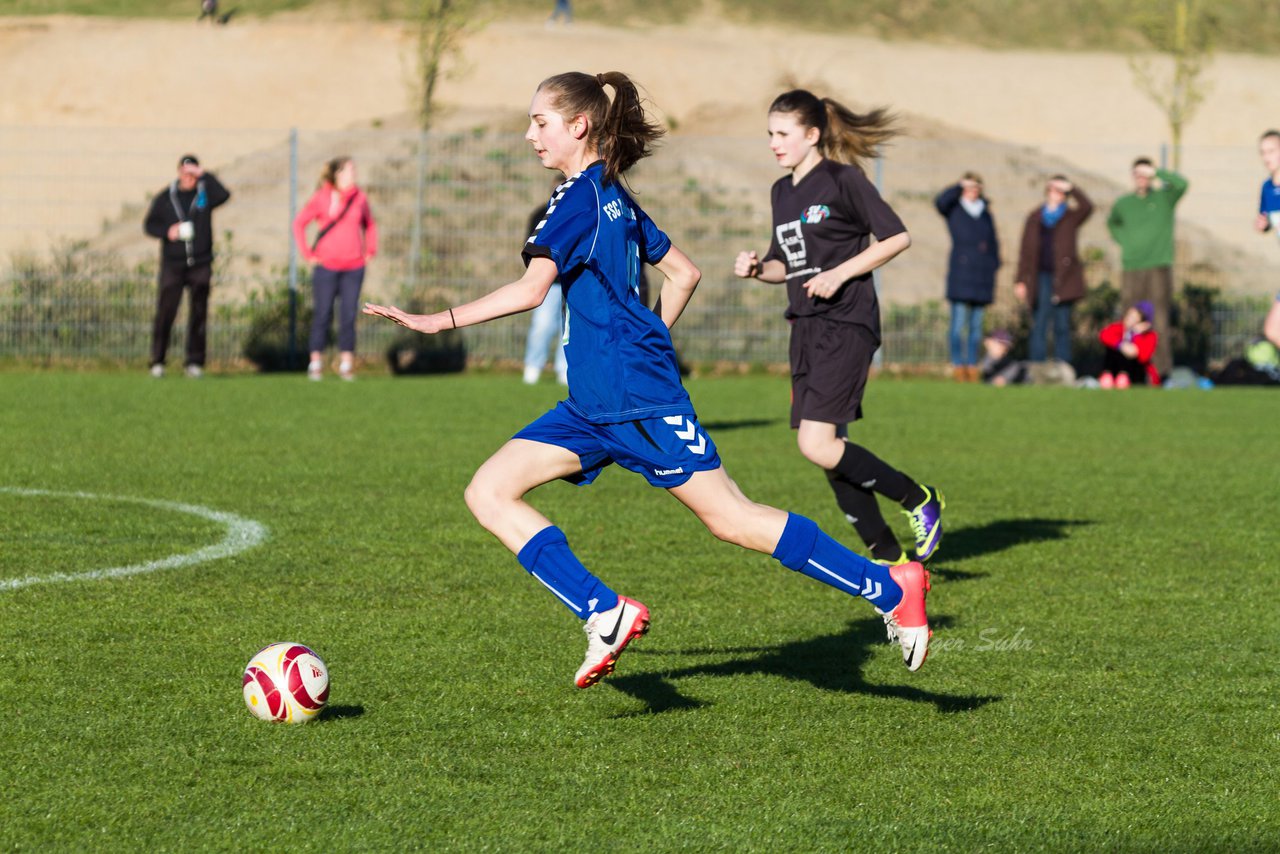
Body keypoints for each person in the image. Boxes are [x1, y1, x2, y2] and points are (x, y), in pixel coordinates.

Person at [363, 71, 934, 687]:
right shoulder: (613, 193)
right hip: (592, 404)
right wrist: (648, 338)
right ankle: (602, 611)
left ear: (578, 126)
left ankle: (890, 587)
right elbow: (684, 274)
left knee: (733, 520)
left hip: (637, 399)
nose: (531, 134)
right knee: (489, 492)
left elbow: (533, 292)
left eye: (540, 122)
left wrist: (436, 321)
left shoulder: (578, 198)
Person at [732, 89, 944, 568]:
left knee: (816, 442)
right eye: (770, 134)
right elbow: (785, 264)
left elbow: (897, 237)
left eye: (783, 134)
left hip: (847, 322)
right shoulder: (780, 191)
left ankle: (918, 499)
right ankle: (890, 559)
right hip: (804, 328)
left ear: (812, 135)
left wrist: (841, 272)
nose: (773, 143)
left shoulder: (842, 180)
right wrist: (755, 267)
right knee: (827, 447)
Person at [142, 154, 231, 378]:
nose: (189, 177)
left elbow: (225, 195)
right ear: (179, 172)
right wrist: (167, 232)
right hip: (173, 263)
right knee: (166, 311)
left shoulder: (205, 193)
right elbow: (149, 225)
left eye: (193, 172)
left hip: (200, 263)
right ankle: (157, 360)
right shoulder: (165, 197)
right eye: (186, 171)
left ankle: (194, 362)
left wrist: (205, 175)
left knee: (199, 312)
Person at [292, 156, 377, 381]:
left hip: (354, 267)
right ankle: (315, 363)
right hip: (326, 267)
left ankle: (346, 364)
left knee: (348, 314)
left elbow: (370, 224)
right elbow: (299, 223)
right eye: (349, 170)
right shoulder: (321, 197)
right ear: (337, 174)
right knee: (322, 313)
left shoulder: (360, 198)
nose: (354, 173)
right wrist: (308, 254)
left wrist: (370, 250)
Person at [1106, 157, 1188, 378]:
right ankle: (1127, 370)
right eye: (1137, 174)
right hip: (1132, 267)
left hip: (1159, 267)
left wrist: (1157, 172)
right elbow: (1112, 222)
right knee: (1129, 319)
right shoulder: (1124, 203)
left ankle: (1160, 372)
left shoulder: (1164, 198)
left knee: (1159, 320)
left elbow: (1182, 184)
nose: (1141, 178)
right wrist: (1125, 241)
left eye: (1145, 174)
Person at [1013, 175, 1093, 367]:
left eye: (1061, 191)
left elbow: (1087, 207)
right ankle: (1036, 366)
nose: (1056, 194)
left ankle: (1063, 366)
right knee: (1039, 322)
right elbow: (1025, 252)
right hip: (1040, 277)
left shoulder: (1071, 217)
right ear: (1047, 191)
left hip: (1064, 279)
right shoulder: (1034, 218)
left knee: (1062, 324)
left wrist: (1072, 187)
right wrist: (1021, 280)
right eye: (1053, 189)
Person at [935, 172, 1000, 381]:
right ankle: (957, 364)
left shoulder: (985, 213)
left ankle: (972, 365)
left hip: (982, 277)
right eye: (969, 187)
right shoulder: (955, 209)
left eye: (976, 187)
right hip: (961, 275)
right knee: (958, 325)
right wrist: (958, 185)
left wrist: (994, 265)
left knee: (976, 328)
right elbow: (940, 202)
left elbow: (994, 244)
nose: (973, 192)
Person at [521, 200, 568, 385]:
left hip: (572, 281)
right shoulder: (541, 213)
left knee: (568, 328)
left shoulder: (581, 208)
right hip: (550, 283)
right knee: (542, 325)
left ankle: (564, 370)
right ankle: (533, 366)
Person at [1098, 300, 1160, 388]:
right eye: (1129, 315)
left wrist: (1136, 335)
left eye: (1134, 318)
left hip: (1138, 375)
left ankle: (1123, 380)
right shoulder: (1119, 328)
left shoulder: (1150, 336)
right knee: (1112, 351)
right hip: (1116, 370)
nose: (1129, 319)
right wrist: (1121, 345)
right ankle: (1108, 377)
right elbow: (1104, 335)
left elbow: (1143, 357)